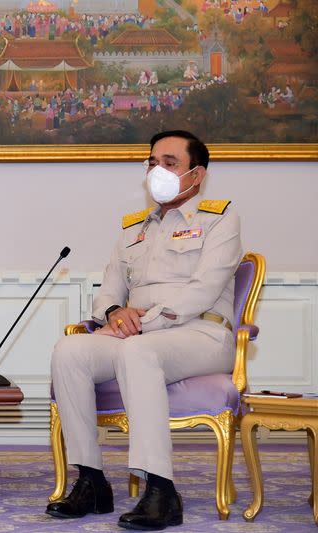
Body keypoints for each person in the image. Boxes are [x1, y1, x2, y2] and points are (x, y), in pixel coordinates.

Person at [46, 131, 242, 530]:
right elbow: (108, 293)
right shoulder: (133, 229)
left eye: (169, 162)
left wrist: (140, 324)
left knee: (139, 351)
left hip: (201, 335)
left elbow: (201, 293)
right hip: (138, 336)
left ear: (196, 174)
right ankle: (91, 480)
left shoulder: (221, 219)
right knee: (70, 350)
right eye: (152, 162)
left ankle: (161, 489)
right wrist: (117, 313)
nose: (157, 170)